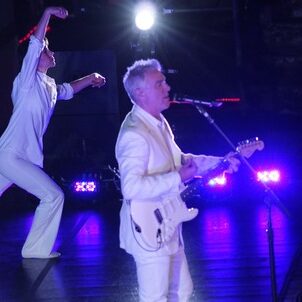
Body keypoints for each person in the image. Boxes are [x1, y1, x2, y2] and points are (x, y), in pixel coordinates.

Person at [115, 58, 240, 301]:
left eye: (165, 82)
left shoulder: (158, 124)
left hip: (169, 222)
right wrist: (178, 177)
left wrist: (220, 162)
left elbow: (181, 161)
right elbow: (131, 188)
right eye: (159, 84)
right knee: (156, 297)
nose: (167, 88)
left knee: (182, 292)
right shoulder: (134, 134)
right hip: (149, 227)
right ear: (140, 93)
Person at [0, 7, 106, 259]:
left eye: (49, 50)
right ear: (35, 59)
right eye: (47, 51)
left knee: (51, 196)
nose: (51, 53)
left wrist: (91, 78)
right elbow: (35, 43)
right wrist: (47, 13)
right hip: (11, 156)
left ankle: (35, 248)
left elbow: (68, 89)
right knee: (53, 196)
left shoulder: (50, 88)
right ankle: (35, 249)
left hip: (17, 158)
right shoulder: (25, 82)